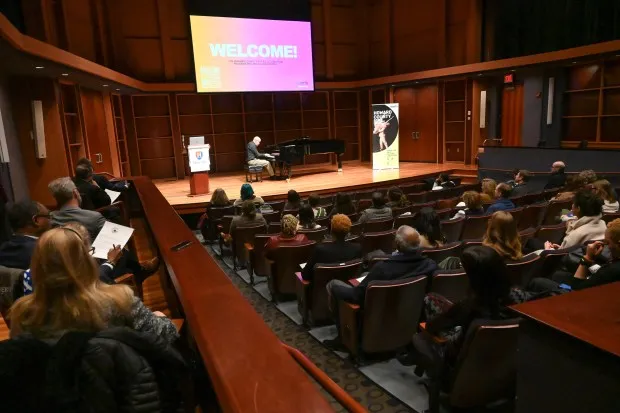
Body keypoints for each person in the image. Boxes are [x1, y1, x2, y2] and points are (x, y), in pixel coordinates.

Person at [9, 227, 179, 343]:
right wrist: (162, 319)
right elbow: (166, 334)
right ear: (86, 261)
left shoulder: (22, 311)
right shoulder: (118, 299)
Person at [407, 246, 522, 413]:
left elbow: (432, 327)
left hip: (456, 364)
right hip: (501, 366)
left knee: (427, 313)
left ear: (475, 278)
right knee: (435, 299)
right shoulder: (517, 297)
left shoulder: (470, 307)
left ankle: (420, 361)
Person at [324, 226, 437, 350]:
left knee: (334, 285)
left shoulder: (383, 269)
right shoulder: (429, 266)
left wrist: (337, 289)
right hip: (405, 312)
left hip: (377, 312)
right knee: (365, 275)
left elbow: (356, 296)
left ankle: (343, 339)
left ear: (397, 244)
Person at [529, 219, 620, 293]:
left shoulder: (610, 272)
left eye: (608, 242)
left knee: (537, 282)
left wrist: (588, 258)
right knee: (557, 275)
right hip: (594, 286)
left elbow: (577, 289)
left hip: (579, 297)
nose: (606, 246)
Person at [301, 214, 362, 282]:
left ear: (331, 230)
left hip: (323, 291)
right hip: (348, 287)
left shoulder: (320, 250)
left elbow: (305, 275)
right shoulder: (357, 248)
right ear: (348, 231)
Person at [0, 201, 51, 270]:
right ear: (36, 221)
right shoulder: (44, 252)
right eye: (48, 216)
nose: (51, 221)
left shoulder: (3, 248)